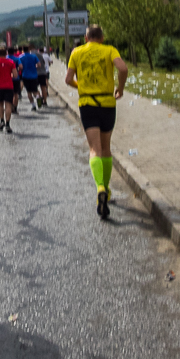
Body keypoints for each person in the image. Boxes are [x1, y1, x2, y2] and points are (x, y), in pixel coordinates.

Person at [65, 25, 128, 220]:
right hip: (107, 103)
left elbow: (67, 79)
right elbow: (123, 68)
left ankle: (99, 186)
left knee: (94, 149)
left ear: (86, 38)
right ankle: (107, 190)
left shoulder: (77, 52)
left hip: (87, 104)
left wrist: (81, 85)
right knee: (106, 147)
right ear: (101, 38)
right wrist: (120, 88)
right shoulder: (109, 50)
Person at [0, 46, 18, 132]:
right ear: (6, 53)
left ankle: (2, 121)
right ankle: (8, 123)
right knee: (8, 105)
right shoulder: (11, 62)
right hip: (9, 85)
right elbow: (15, 75)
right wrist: (10, 76)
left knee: (0, 104)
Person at [18, 45, 42, 111]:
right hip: (34, 76)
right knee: (35, 90)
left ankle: (33, 105)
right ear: (29, 49)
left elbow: (20, 67)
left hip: (25, 76)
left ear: (23, 49)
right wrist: (35, 67)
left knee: (29, 92)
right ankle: (38, 97)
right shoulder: (34, 56)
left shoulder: (21, 57)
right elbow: (39, 65)